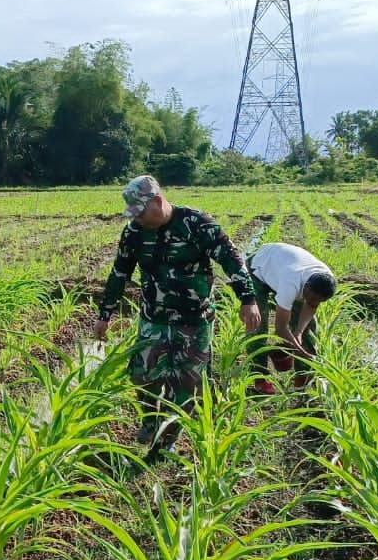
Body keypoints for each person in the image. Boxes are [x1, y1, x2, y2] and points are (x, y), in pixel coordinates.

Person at [93, 175, 261, 451]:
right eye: (133, 215)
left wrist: (248, 299)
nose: (137, 220)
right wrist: (105, 313)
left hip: (193, 321)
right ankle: (150, 420)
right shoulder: (134, 232)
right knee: (142, 374)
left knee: (187, 384)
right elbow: (119, 273)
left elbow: (232, 259)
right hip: (153, 317)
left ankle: (167, 440)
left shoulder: (196, 224)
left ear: (157, 202)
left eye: (141, 213)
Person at [244, 241, 337, 394]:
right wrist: (299, 351)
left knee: (308, 329)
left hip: (280, 265)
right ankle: (259, 378)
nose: (313, 303)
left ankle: (302, 379)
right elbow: (280, 328)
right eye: (311, 298)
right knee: (258, 326)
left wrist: (298, 332)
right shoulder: (291, 283)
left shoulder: (325, 280)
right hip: (259, 269)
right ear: (306, 287)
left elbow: (311, 306)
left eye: (318, 301)